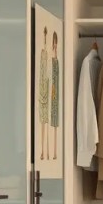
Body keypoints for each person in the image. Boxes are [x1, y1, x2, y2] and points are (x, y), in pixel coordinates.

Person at [38, 26, 50, 159]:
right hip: (43, 92)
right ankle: (43, 151)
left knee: (46, 121)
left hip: (46, 91)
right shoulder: (43, 58)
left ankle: (45, 151)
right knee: (43, 120)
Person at [50, 31, 60, 160]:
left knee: (55, 120)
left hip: (54, 94)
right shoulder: (51, 62)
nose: (55, 47)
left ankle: (54, 152)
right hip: (51, 93)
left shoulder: (56, 63)